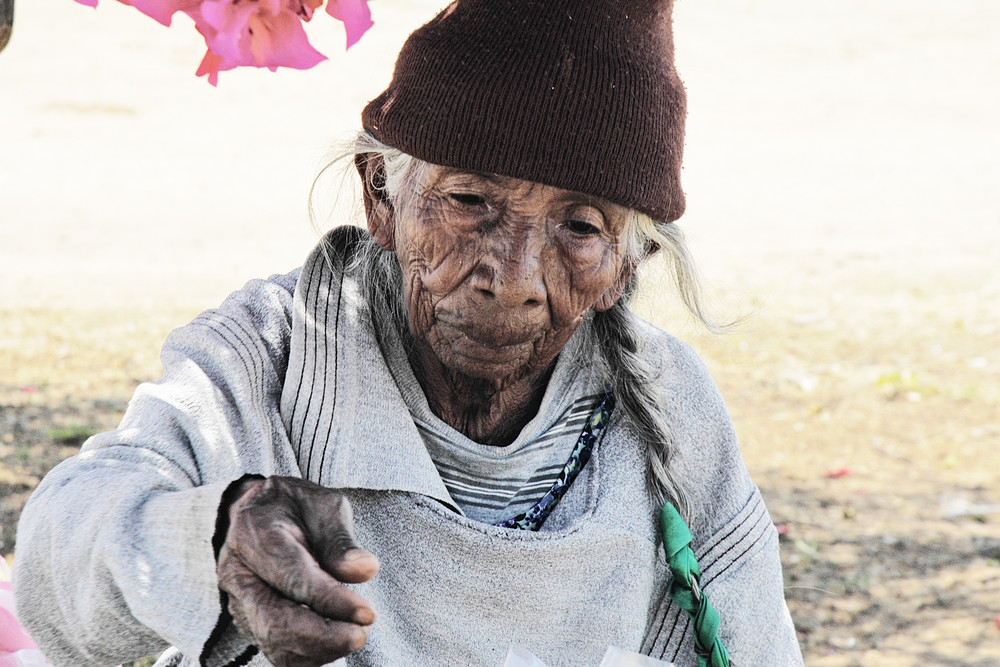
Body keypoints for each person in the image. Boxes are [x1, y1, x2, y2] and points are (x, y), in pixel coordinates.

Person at [14, 0, 803, 665]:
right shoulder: (272, 358)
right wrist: (210, 539)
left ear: (625, 269)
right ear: (381, 197)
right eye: (469, 201)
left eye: (579, 226)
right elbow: (57, 557)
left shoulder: (668, 411)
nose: (515, 275)